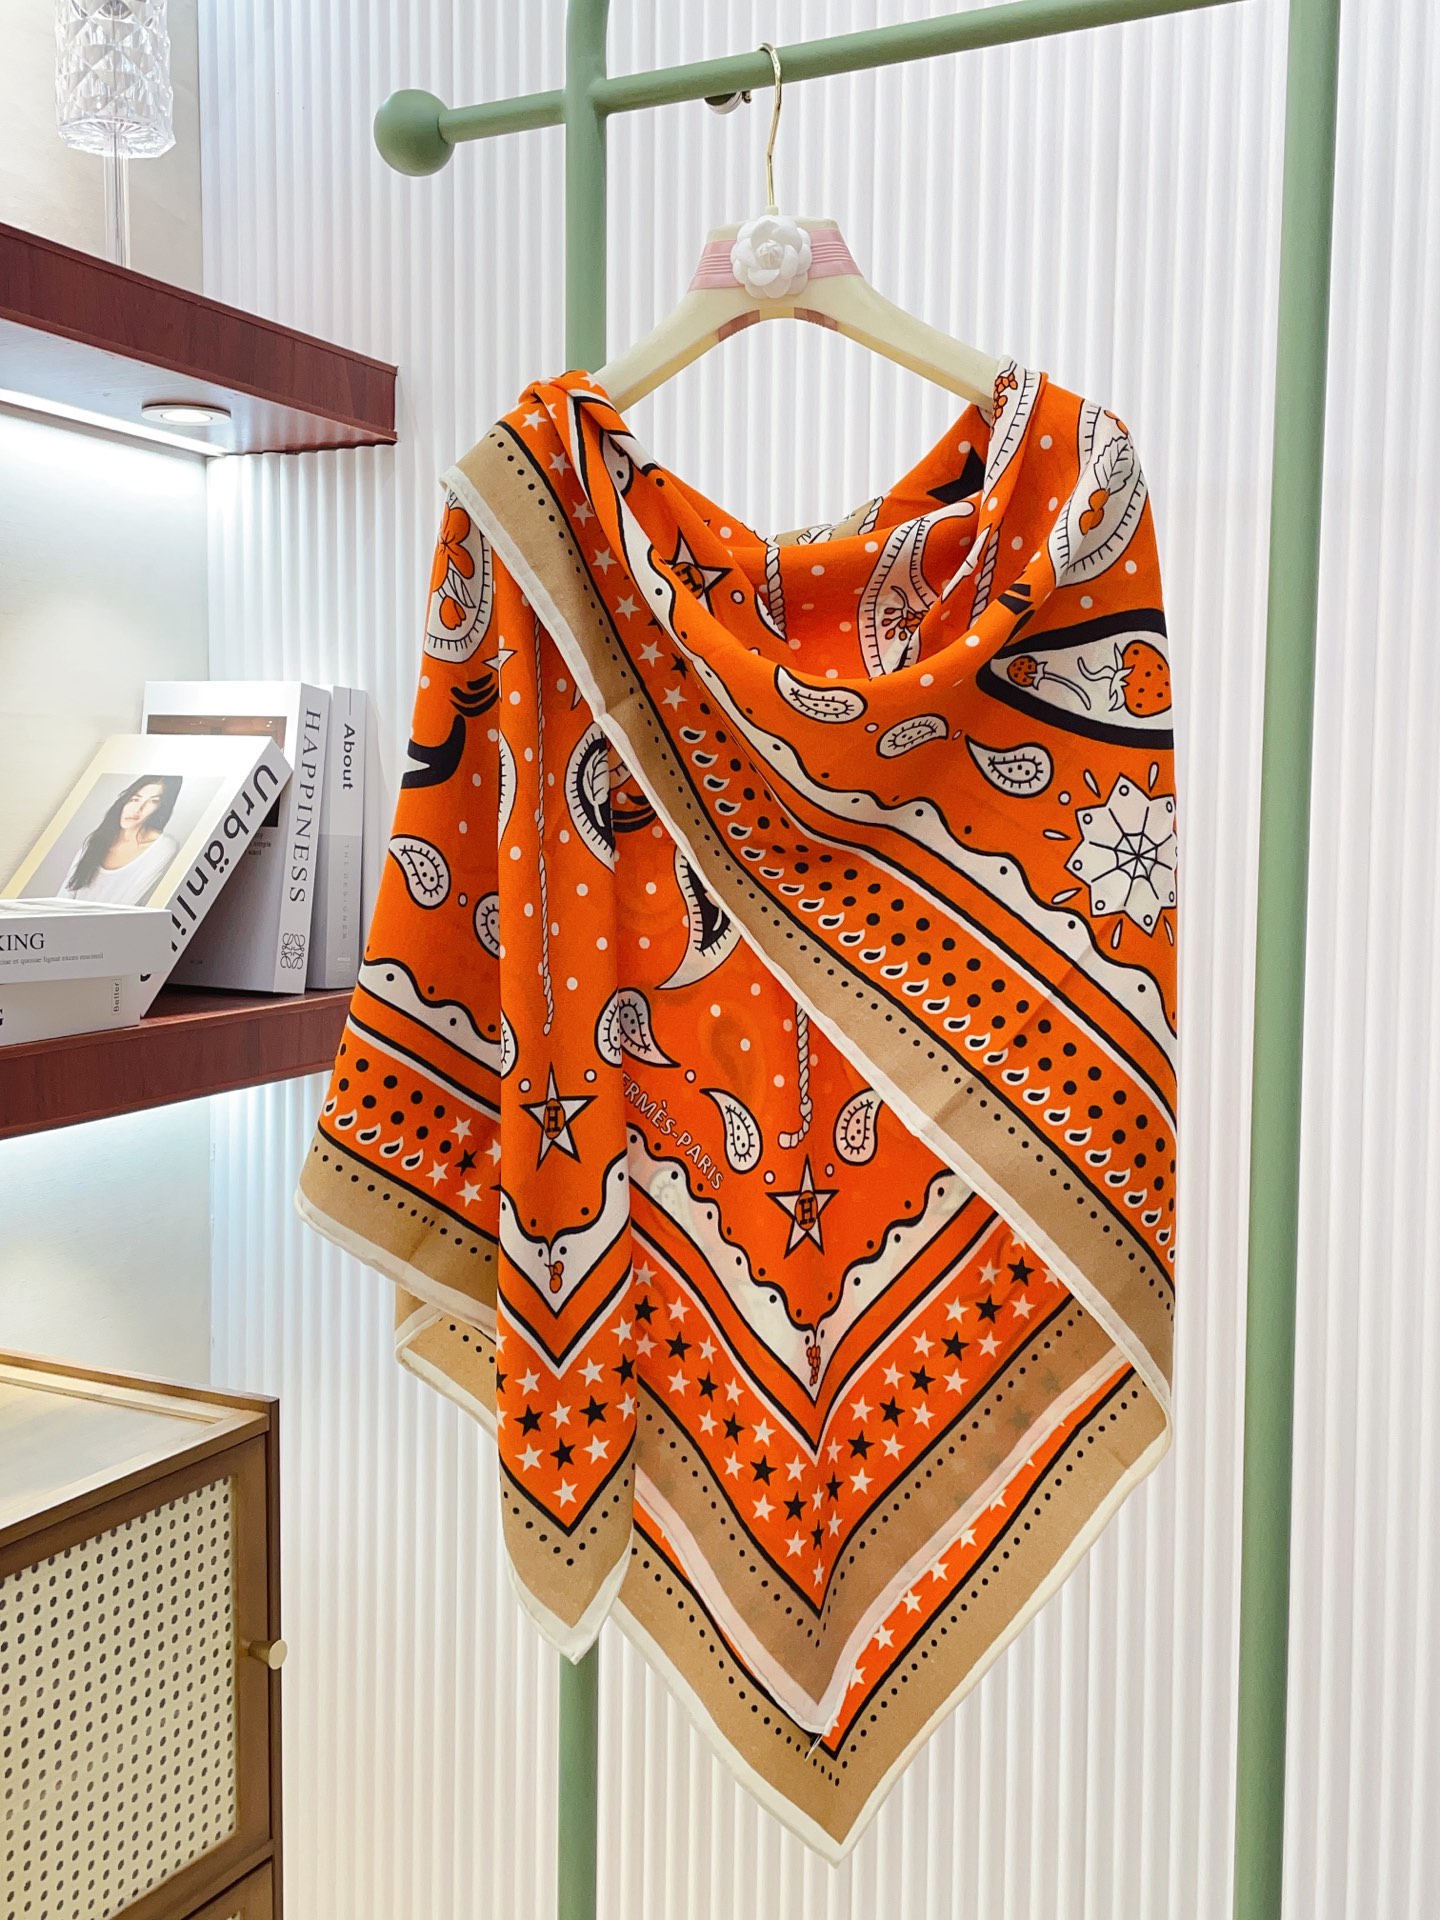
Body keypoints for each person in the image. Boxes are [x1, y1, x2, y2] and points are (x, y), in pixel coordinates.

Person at [61, 774, 184, 905]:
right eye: (135, 799)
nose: (138, 809)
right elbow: (65, 894)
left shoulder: (163, 848)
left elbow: (129, 904)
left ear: (161, 807)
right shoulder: (98, 840)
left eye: (152, 801)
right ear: (125, 800)